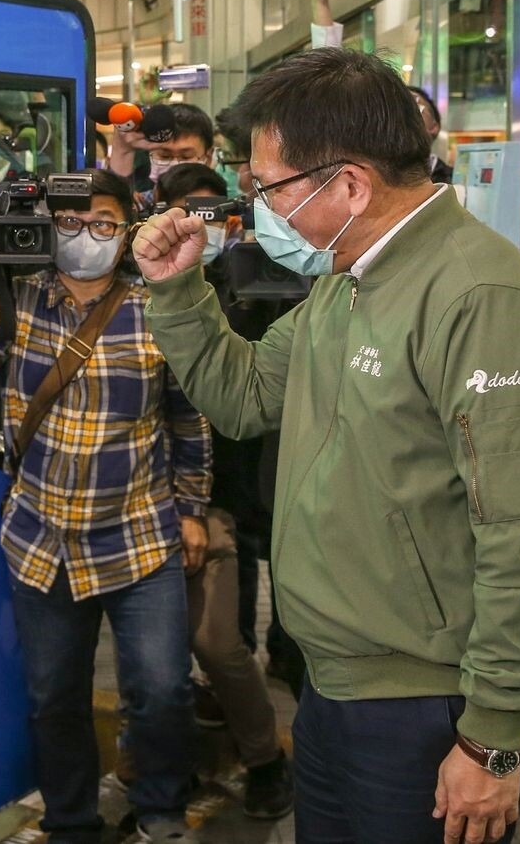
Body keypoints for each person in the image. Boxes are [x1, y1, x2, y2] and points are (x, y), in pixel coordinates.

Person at [132, 48, 520, 844]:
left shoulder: (477, 296)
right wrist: (176, 289)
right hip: (335, 685)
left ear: (348, 184)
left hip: (428, 707)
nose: (259, 208)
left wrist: (491, 736)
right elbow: (242, 396)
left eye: (270, 188)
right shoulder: (348, 281)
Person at [0, 169, 212, 844]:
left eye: (103, 222)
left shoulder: (157, 306)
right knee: (53, 697)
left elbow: (188, 418)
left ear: (128, 231)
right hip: (42, 537)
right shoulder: (18, 295)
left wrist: (193, 507)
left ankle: (160, 812)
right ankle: (70, 822)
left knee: (161, 691)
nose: (85, 236)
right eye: (67, 222)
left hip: (139, 534)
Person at [151, 161, 296, 820]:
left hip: (221, 491)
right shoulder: (144, 285)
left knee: (219, 641)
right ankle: (163, 768)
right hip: (142, 495)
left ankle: (262, 757)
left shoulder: (259, 273)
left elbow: (241, 394)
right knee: (154, 655)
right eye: (190, 214)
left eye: (215, 213)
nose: (203, 227)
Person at [309, 0, 453, 184]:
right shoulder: (367, 177)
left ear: (434, 127)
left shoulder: (455, 184)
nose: (406, 111)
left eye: (416, 106)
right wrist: (320, 1)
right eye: (400, 104)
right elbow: (328, 84)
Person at [106, 101, 217, 209]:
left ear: (208, 157)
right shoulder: (139, 205)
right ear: (150, 154)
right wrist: (123, 150)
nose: (175, 166)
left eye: (186, 156)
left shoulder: (224, 209)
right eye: (164, 156)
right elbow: (113, 209)